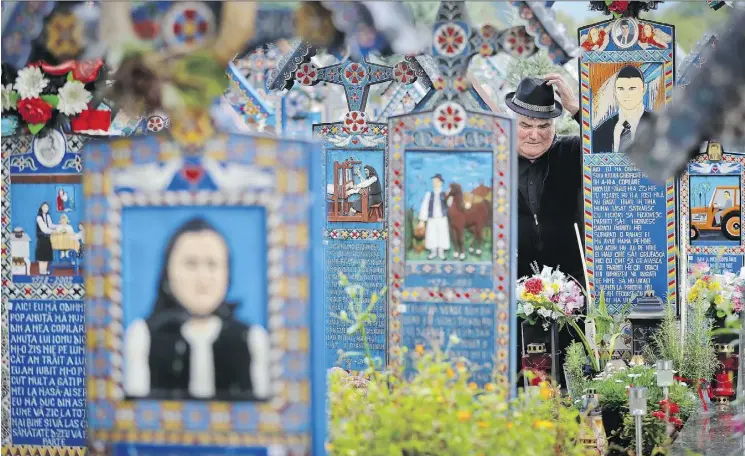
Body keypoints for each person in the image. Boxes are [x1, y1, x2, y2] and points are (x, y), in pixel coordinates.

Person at [123, 217, 270, 401]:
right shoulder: (142, 336)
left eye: (212, 264)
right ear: (168, 271)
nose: (203, 278)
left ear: (227, 273)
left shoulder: (253, 339)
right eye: (191, 264)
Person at [505, 75, 583, 387]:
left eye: (544, 126)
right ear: (513, 123)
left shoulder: (573, 153)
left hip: (571, 298)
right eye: (526, 125)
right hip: (512, 299)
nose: (535, 134)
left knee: (569, 383)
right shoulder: (496, 160)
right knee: (518, 384)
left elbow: (615, 152)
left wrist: (578, 109)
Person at [592, 66, 652, 153]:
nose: (626, 95)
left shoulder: (658, 124)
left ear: (644, 89)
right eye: (621, 89)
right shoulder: (600, 132)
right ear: (615, 91)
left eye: (632, 89)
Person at [417, 174, 450, 260]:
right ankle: (433, 252)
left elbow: (450, 204)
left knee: (442, 234)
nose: (435, 183)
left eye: (436, 181)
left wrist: (449, 196)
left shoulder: (445, 194)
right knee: (432, 235)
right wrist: (422, 220)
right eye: (433, 182)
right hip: (431, 218)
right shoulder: (429, 194)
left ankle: (441, 252)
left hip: (442, 218)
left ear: (441, 183)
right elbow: (424, 207)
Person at [35, 202, 56, 275]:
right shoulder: (39, 217)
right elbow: (44, 229)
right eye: (44, 207)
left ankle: (45, 270)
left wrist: (59, 226)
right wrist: (54, 231)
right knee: (42, 256)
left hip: (47, 238)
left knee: (47, 255)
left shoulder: (48, 216)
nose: (46, 208)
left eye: (47, 207)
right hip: (41, 238)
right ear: (41, 208)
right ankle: (41, 270)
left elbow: (50, 225)